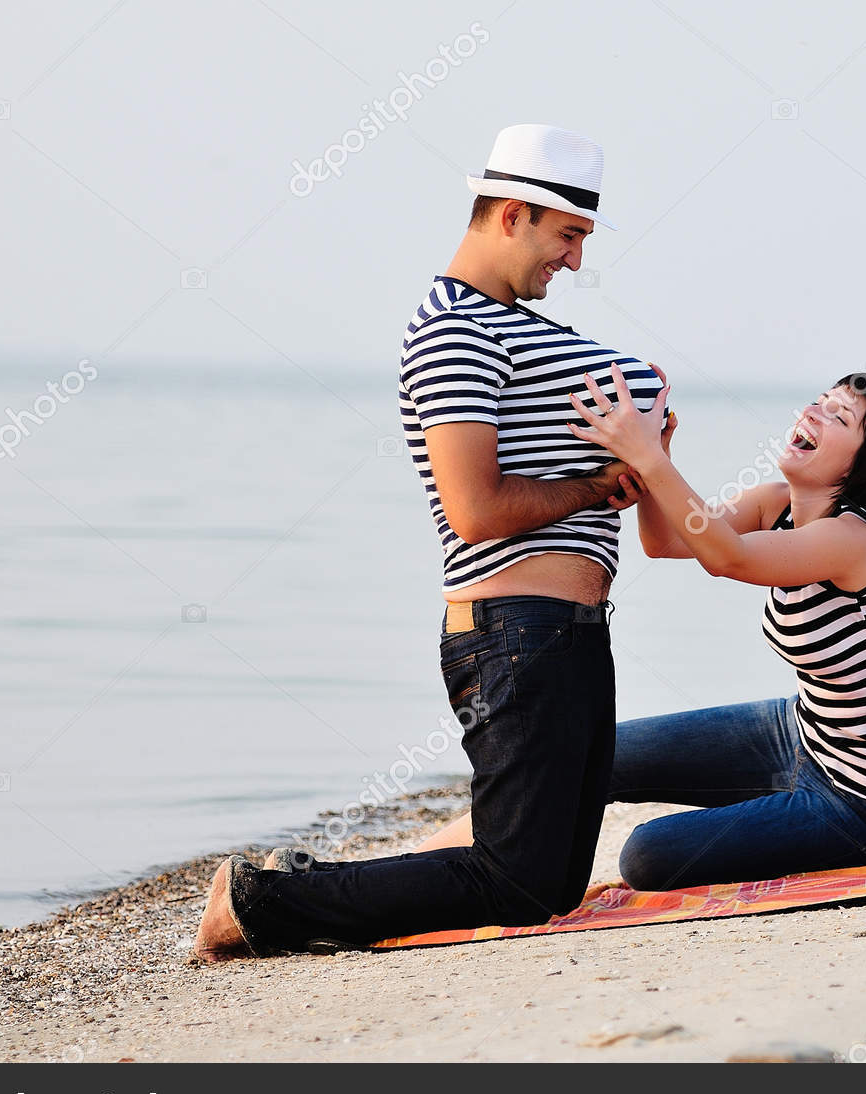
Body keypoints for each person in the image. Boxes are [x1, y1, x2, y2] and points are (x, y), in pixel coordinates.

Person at [194, 124, 663, 958]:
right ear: (513, 215)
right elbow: (474, 510)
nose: (575, 260)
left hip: (571, 634)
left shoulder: (509, 325)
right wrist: (600, 483)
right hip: (517, 635)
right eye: (568, 236)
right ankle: (259, 901)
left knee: (549, 885)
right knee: (516, 882)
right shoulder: (452, 330)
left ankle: (291, 887)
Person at [398, 364, 866, 891]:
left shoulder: (851, 538)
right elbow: (669, 541)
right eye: (820, 401)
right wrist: (656, 452)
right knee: (587, 754)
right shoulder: (776, 502)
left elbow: (729, 558)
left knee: (648, 855)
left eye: (839, 417)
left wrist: (649, 457)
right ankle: (428, 868)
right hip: (804, 734)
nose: (814, 412)